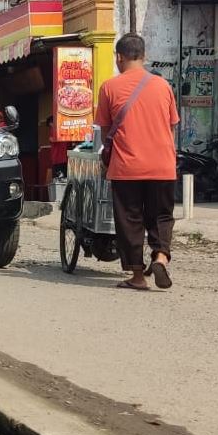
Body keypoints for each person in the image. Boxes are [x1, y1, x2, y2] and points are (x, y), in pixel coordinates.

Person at [96, 33, 179, 290]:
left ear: (119, 57)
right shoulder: (163, 86)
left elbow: (105, 130)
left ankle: (137, 277)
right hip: (162, 165)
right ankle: (161, 257)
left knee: (130, 220)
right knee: (161, 216)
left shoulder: (109, 87)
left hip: (126, 168)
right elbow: (171, 125)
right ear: (144, 57)